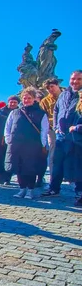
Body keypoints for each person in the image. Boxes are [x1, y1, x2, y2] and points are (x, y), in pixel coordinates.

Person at [42, 70, 82, 198]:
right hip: (61, 135)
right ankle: (54, 188)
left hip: (76, 136)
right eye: (73, 79)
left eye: (79, 79)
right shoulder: (64, 94)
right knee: (56, 162)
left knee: (76, 164)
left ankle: (79, 192)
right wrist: (56, 127)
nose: (75, 81)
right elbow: (56, 110)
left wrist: (77, 127)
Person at [5, 87, 49, 199]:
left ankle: (30, 190)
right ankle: (22, 189)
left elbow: (44, 129)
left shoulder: (41, 113)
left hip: (33, 145)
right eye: (24, 98)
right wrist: (8, 139)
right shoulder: (15, 112)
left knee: (30, 168)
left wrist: (43, 143)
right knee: (19, 168)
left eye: (29, 98)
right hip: (16, 144)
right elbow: (8, 127)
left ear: (34, 99)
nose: (26, 100)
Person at [0, 96, 19, 184]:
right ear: (8, 102)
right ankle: (0, 175)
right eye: (11, 102)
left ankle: (7, 177)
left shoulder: (19, 112)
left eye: (15, 102)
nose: (12, 104)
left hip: (12, 140)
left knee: (10, 159)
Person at [39, 78, 64, 175]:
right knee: (53, 153)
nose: (50, 90)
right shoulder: (45, 101)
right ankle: (54, 175)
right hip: (52, 129)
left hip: (68, 128)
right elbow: (43, 117)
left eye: (52, 87)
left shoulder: (66, 95)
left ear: (58, 85)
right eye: (48, 88)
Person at [69, 91, 82, 207]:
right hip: (78, 143)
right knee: (78, 169)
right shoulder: (78, 110)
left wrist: (76, 127)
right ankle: (79, 194)